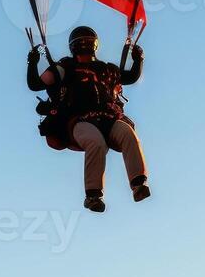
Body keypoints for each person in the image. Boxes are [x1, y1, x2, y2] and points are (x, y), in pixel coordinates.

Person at [28, 25, 149, 212]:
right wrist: (33, 62)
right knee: (96, 142)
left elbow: (130, 77)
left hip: (109, 118)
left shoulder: (106, 69)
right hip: (79, 120)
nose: (84, 44)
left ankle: (138, 184)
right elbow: (36, 84)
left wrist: (138, 58)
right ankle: (93, 195)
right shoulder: (65, 67)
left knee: (128, 134)